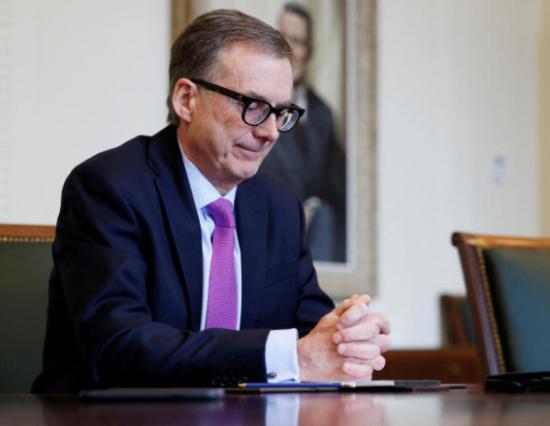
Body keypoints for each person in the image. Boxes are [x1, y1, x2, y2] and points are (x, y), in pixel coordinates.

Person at [31, 9, 390, 393]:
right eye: (252, 106)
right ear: (187, 99)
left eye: (282, 112)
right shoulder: (111, 188)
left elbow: (310, 335)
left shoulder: (279, 208)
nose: (271, 132)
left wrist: (347, 338)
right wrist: (288, 357)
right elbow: (118, 347)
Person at [259, 2, 346, 262]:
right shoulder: (252, 108)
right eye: (282, 37)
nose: (288, 49)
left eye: (297, 41)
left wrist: (314, 207)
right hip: (267, 232)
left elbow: (338, 187)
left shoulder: (323, 114)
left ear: (309, 51)